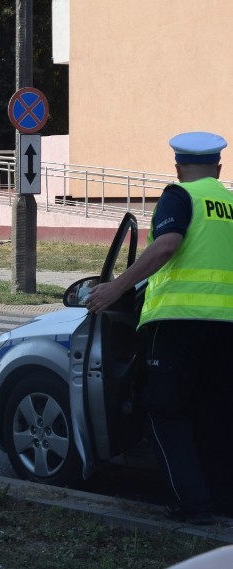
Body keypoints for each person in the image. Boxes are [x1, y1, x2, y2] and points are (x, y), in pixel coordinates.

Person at [86, 131, 233, 524]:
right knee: (214, 412)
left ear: (178, 167)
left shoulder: (180, 195)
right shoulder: (231, 203)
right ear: (219, 168)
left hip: (179, 323)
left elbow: (167, 245)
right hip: (227, 328)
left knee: (162, 410)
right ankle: (221, 501)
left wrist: (115, 287)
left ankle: (190, 502)